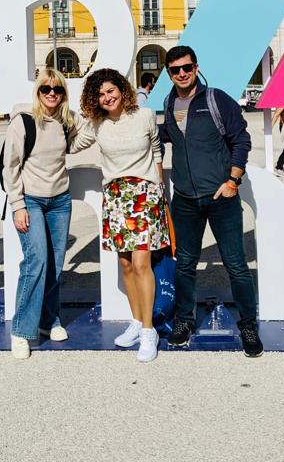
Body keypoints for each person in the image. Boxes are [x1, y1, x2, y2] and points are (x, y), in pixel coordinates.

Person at [157, 46, 262, 357]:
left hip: (220, 197)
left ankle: (248, 324)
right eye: (175, 70)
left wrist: (233, 181)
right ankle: (184, 321)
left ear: (196, 66)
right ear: (169, 74)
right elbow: (169, 138)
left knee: (236, 266)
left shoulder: (216, 99)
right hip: (185, 200)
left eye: (186, 67)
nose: (182, 73)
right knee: (185, 265)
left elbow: (241, 138)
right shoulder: (169, 102)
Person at [78, 67, 169, 363]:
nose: (107, 97)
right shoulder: (96, 124)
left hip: (144, 194)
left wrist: (158, 185)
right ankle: (136, 319)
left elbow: (156, 149)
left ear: (122, 89)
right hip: (116, 196)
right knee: (126, 264)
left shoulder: (144, 115)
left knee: (142, 263)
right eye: (101, 94)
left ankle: (148, 330)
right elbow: (72, 142)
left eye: (111, 91)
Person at [2, 68, 86, 360]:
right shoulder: (23, 122)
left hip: (60, 200)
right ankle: (22, 330)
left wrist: (97, 125)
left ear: (64, 93)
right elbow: (10, 167)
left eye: (57, 89)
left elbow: (75, 143)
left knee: (56, 263)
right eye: (45, 89)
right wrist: (18, 205)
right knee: (36, 261)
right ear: (37, 92)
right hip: (32, 201)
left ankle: (50, 320)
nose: (51, 94)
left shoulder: (66, 120)